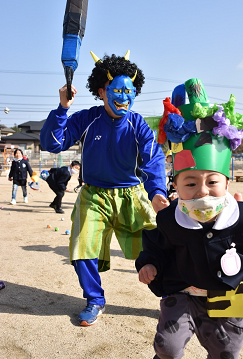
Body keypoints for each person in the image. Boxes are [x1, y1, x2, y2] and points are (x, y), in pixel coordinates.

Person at [136, 78, 243, 359]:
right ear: (177, 187)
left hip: (226, 295)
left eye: (212, 182)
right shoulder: (171, 219)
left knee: (226, 350)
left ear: (227, 183)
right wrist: (148, 263)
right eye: (191, 183)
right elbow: (156, 246)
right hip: (181, 292)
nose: (202, 190)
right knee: (167, 347)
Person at [40, 50, 168, 326]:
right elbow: (52, 143)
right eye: (117, 90)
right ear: (101, 90)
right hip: (92, 195)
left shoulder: (139, 125)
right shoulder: (87, 119)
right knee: (81, 247)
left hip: (131, 195)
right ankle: (95, 299)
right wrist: (63, 108)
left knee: (163, 243)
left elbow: (154, 160)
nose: (124, 96)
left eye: (129, 90)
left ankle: (171, 297)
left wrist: (157, 192)